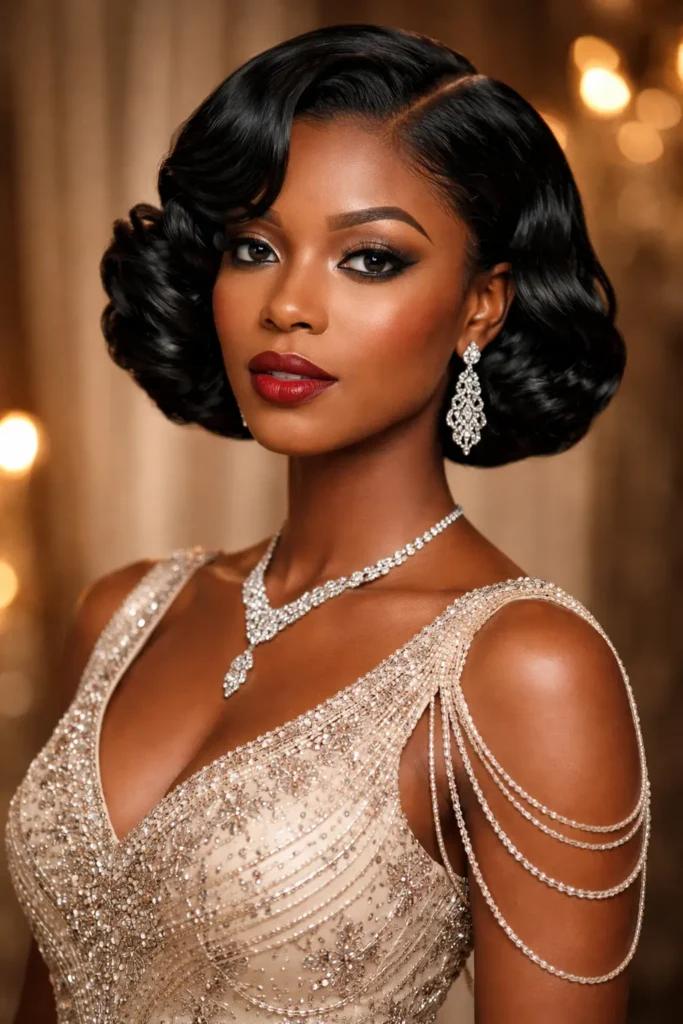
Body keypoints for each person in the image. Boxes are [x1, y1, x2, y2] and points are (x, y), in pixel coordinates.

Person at [6, 23, 649, 1024]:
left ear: (481, 306)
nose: (288, 306)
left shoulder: (524, 665)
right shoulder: (122, 613)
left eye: (370, 259)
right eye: (253, 247)